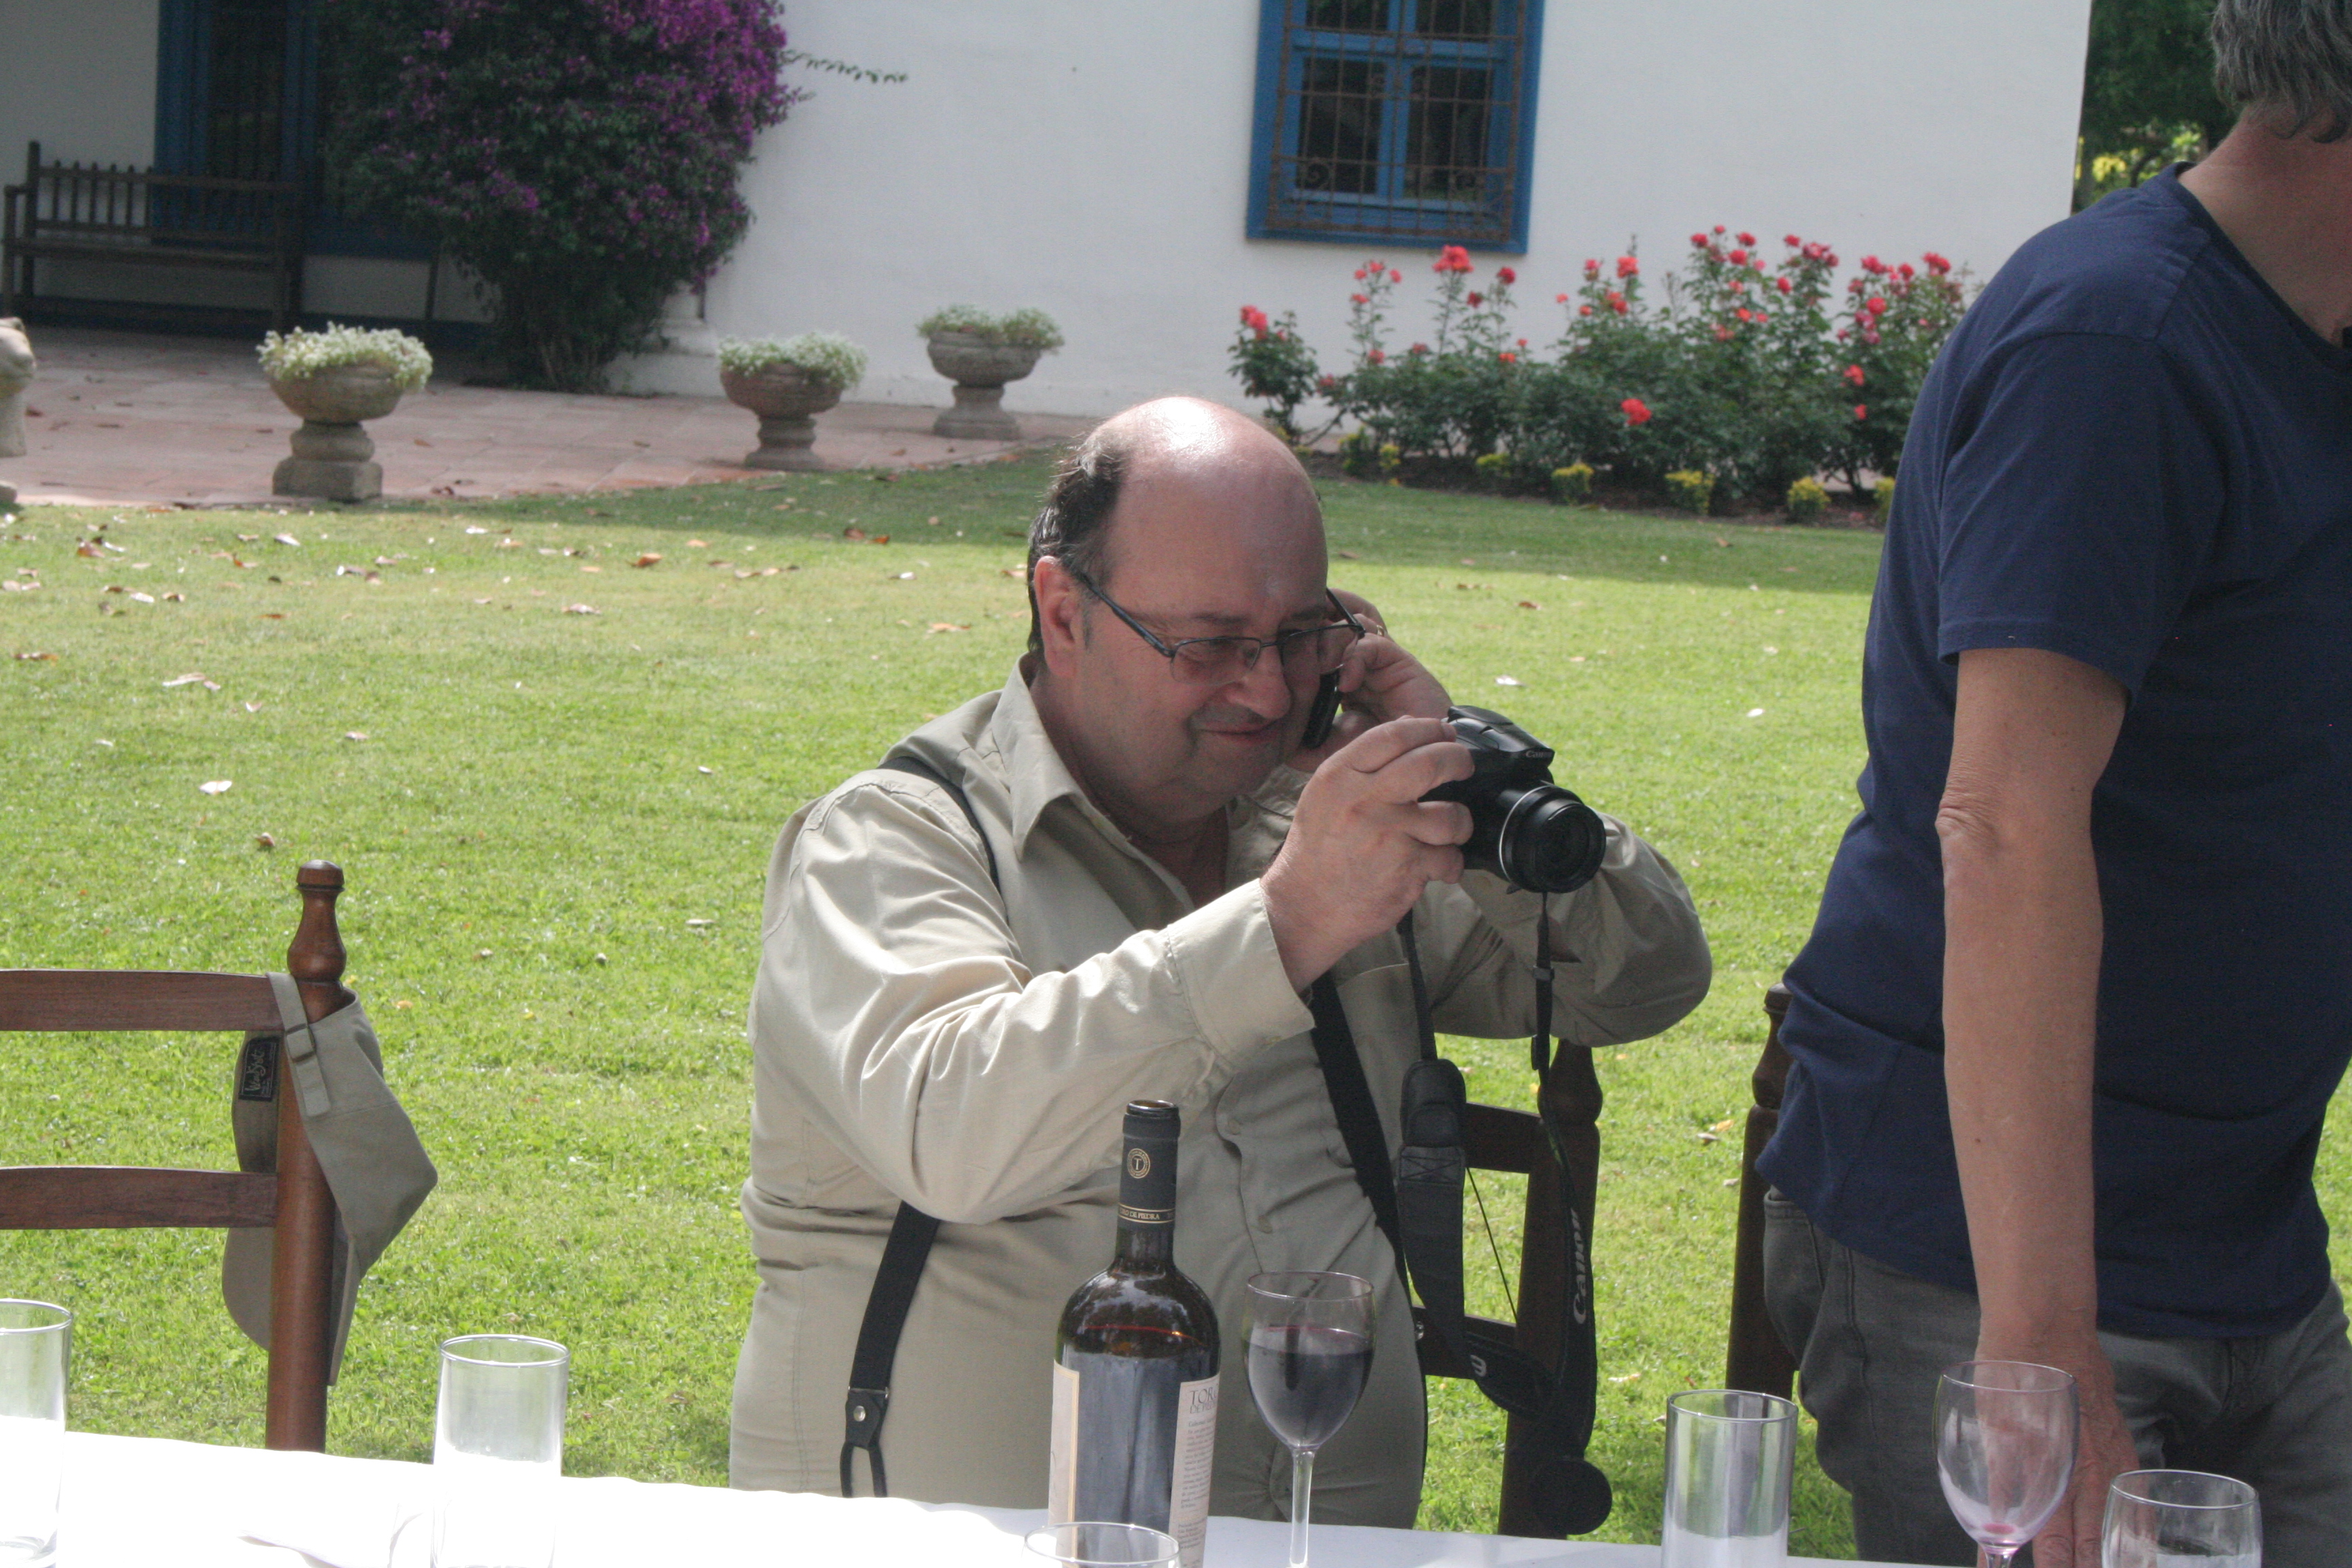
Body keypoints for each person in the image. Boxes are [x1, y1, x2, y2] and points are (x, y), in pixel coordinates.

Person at [729, 396, 1710, 1521]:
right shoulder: (892, 837)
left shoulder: (1330, 830)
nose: (1264, 690)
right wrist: (1288, 920)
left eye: (1299, 637)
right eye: (1209, 646)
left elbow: (1643, 984)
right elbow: (955, 1130)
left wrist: (1469, 793)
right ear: (1062, 611)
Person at [1758, 4, 2352, 1564]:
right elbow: (2007, 829)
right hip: (2002, 1264)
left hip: (2248, 1245)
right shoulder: (2122, 344)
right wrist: (2037, 1352)